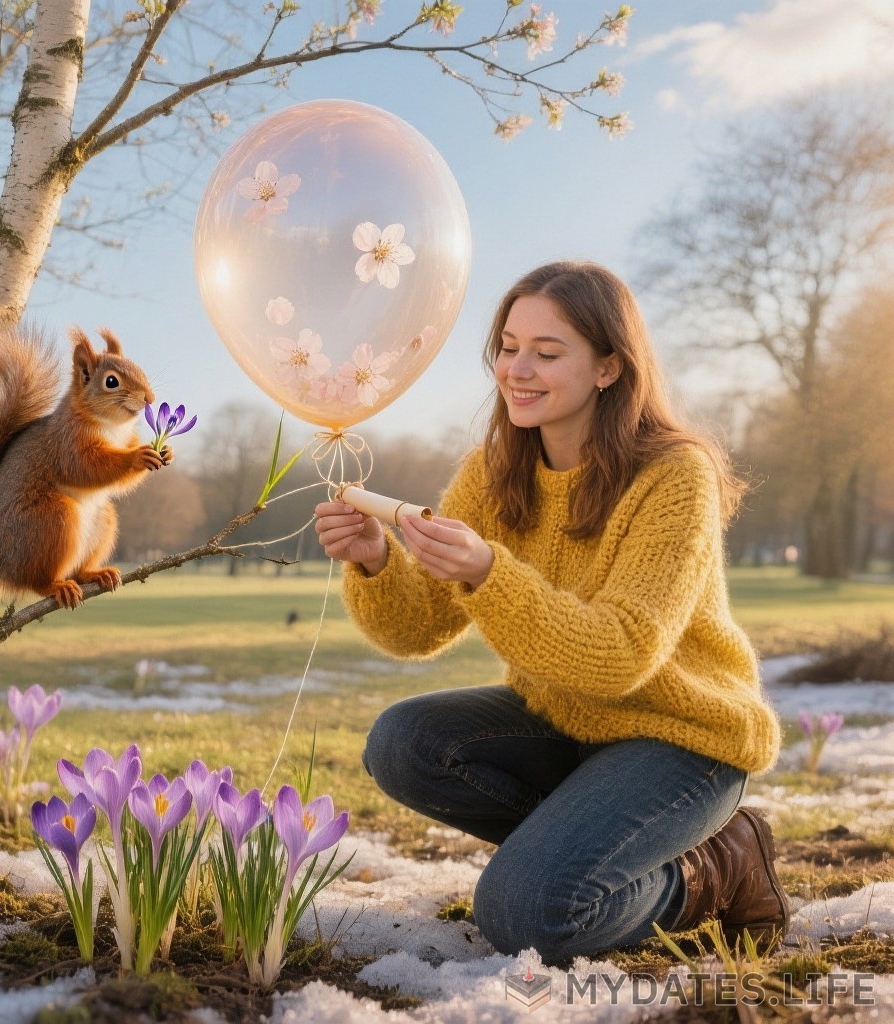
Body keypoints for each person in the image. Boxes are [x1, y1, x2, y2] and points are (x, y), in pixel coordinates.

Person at [314, 260, 787, 963]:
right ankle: (576, 844)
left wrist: (488, 572)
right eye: (508, 347)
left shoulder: (673, 475)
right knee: (403, 741)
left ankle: (715, 869)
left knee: (529, 913)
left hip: (684, 739)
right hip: (565, 723)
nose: (516, 369)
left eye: (546, 351)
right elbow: (417, 630)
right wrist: (378, 562)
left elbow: (620, 655)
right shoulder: (495, 471)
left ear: (607, 367)